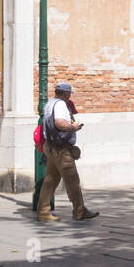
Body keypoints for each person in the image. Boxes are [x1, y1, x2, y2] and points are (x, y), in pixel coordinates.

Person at [37, 81, 99, 223]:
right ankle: (80, 211)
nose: (70, 96)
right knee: (72, 180)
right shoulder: (60, 105)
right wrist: (73, 127)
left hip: (51, 146)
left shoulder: (50, 104)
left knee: (50, 180)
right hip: (61, 148)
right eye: (69, 93)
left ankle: (43, 211)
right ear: (65, 93)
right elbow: (59, 122)